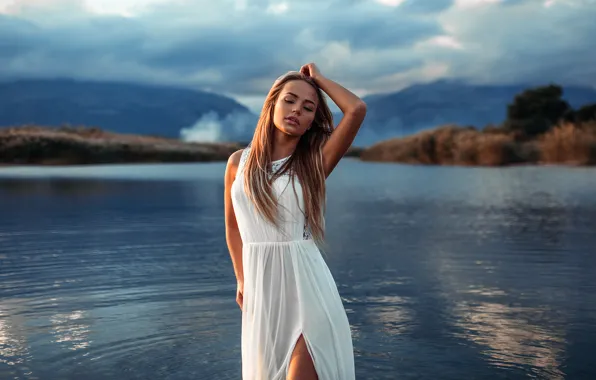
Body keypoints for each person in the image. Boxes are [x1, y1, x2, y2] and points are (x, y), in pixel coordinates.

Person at [224, 62, 367, 380]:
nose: (296, 111)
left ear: (312, 121)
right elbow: (234, 227)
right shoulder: (238, 163)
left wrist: (319, 79)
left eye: (308, 108)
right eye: (289, 100)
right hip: (262, 290)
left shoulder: (314, 164)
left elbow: (356, 109)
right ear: (272, 102)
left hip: (307, 288)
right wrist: (241, 279)